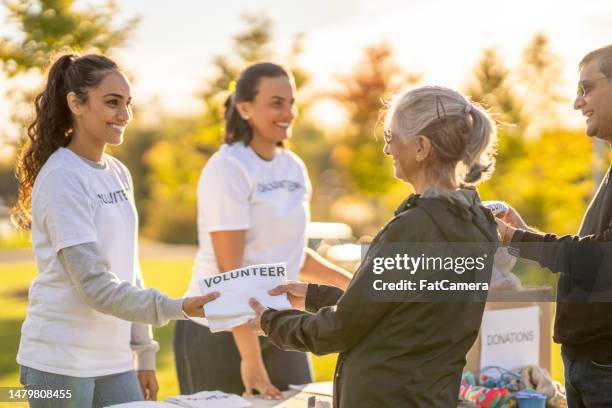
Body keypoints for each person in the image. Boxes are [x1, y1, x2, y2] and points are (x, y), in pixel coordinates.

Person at [249, 85, 500, 407]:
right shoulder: (476, 223)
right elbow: (403, 312)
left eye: (390, 137)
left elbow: (340, 330)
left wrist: (271, 322)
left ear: (421, 147)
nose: (386, 149)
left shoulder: (414, 229)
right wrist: (315, 295)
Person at [12, 53, 219, 408]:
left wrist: (145, 354)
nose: (124, 115)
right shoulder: (63, 177)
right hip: (59, 362)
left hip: (115, 362)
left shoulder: (118, 173)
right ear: (75, 103)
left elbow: (128, 270)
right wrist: (178, 307)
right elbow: (95, 285)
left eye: (128, 104)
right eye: (112, 103)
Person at [173, 62, 352, 400]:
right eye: (276, 103)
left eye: (291, 102)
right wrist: (251, 358)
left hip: (279, 324)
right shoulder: (228, 167)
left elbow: (293, 255)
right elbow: (230, 270)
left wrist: (353, 286)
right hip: (219, 329)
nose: (288, 112)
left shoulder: (294, 167)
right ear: (243, 108)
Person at [496, 45, 612, 407]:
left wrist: (517, 238)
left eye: (586, 88)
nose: (578, 103)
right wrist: (526, 233)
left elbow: (603, 258)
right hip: (588, 364)